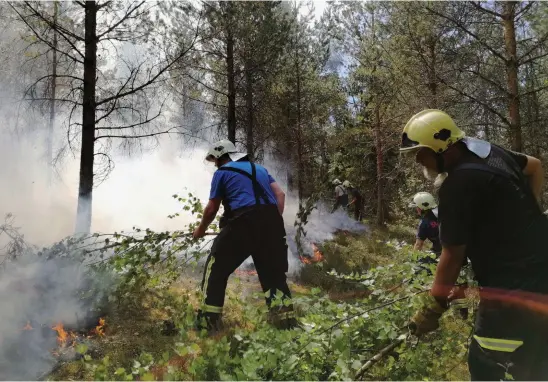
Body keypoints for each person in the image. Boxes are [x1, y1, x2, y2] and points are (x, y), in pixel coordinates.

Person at [400, 109, 548, 380]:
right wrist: (530, 215)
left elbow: (452, 255)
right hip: (540, 267)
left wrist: (433, 306)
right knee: (535, 361)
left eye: (420, 153)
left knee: (486, 363)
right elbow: (535, 166)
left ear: (440, 146)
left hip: (513, 290)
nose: (418, 160)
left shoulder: (458, 186)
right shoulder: (490, 152)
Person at [192, 139, 297, 331]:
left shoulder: (222, 172)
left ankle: (208, 323)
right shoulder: (260, 169)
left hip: (243, 224)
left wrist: (199, 230)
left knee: (215, 270)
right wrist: (269, 220)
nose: (215, 164)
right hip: (273, 224)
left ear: (221, 156)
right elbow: (280, 195)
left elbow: (212, 208)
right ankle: (286, 324)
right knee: (273, 275)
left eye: (215, 160)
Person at [409, 192, 441, 269]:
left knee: (419, 266)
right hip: (460, 249)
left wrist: (413, 261)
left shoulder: (424, 224)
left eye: (417, 207)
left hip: (442, 253)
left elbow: (418, 245)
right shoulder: (444, 212)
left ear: (420, 208)